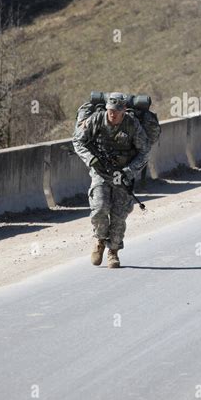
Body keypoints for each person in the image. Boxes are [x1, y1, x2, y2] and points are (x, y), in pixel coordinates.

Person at [73, 92, 149, 268]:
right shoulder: (97, 120)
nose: (112, 114)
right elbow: (78, 141)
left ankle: (113, 251)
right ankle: (99, 240)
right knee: (99, 208)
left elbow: (144, 151)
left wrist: (128, 171)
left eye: (116, 111)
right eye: (110, 110)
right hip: (100, 172)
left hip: (123, 174)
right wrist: (91, 160)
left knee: (119, 215)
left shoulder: (132, 124)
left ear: (123, 111)